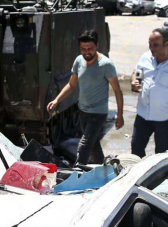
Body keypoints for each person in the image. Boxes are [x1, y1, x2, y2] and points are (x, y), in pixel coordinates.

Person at [46, 30, 124, 166]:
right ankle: (103, 169)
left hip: (98, 113)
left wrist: (120, 114)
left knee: (84, 145)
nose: (86, 52)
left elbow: (117, 90)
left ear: (97, 46)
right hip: (82, 111)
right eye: (83, 49)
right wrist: (57, 100)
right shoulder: (78, 61)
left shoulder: (106, 65)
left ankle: (77, 173)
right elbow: (71, 85)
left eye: (90, 48)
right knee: (93, 145)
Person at [129, 29, 168, 157]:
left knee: (161, 153)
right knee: (136, 148)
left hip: (164, 118)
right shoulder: (146, 57)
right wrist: (134, 81)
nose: (152, 48)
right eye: (150, 44)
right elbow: (136, 73)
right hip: (143, 115)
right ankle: (140, 175)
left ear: (166, 44)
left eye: (155, 45)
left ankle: (159, 176)